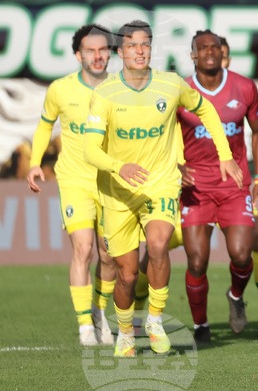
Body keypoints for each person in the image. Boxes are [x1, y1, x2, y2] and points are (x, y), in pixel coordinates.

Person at [84, 20, 242, 358]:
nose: (139, 50)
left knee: (158, 246)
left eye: (145, 44)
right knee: (126, 276)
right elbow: (90, 150)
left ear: (151, 49)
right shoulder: (105, 94)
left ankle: (154, 319)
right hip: (118, 194)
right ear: (120, 52)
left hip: (161, 184)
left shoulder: (170, 85)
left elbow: (207, 110)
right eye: (131, 45)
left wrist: (225, 156)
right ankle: (125, 331)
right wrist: (119, 166)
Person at [176, 30, 258, 343]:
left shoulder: (244, 86)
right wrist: (175, 166)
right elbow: (164, 133)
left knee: (242, 253)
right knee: (195, 260)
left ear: (223, 53)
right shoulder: (178, 90)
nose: (209, 52)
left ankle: (236, 296)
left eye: (215, 47)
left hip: (234, 185)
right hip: (195, 186)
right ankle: (201, 325)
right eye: (202, 48)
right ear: (192, 55)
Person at [26, 24, 118, 346]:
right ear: (78, 54)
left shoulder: (122, 89)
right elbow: (44, 125)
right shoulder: (60, 89)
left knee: (109, 256)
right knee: (83, 249)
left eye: (103, 49)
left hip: (112, 183)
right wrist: (35, 162)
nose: (98, 56)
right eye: (90, 50)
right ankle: (84, 327)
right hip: (74, 180)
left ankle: (99, 311)